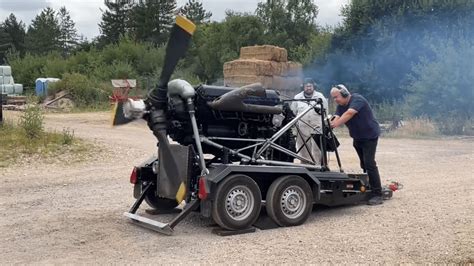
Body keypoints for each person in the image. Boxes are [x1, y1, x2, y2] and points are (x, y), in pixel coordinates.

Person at [329, 84, 383, 205]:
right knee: (363, 163)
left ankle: (377, 194)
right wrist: (328, 123)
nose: (335, 100)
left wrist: (335, 124)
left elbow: (349, 113)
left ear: (344, 94)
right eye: (333, 98)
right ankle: (369, 186)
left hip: (369, 136)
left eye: (336, 97)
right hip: (357, 137)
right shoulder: (340, 106)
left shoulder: (357, 99)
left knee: (369, 163)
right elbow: (336, 117)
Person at [291, 78, 328, 165]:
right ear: (303, 87)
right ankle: (305, 166)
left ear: (313, 86)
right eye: (306, 86)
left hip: (317, 128)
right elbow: (293, 112)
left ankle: (317, 166)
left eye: (310, 86)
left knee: (317, 150)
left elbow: (325, 112)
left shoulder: (320, 97)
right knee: (303, 150)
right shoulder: (297, 97)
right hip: (302, 128)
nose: (308, 88)